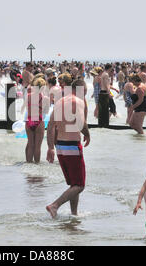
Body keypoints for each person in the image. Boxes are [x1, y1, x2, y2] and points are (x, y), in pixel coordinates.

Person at [45, 79, 91, 219]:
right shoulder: (78, 101)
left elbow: (51, 126)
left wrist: (50, 147)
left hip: (60, 146)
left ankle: (74, 214)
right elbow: (81, 122)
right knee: (80, 185)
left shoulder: (59, 102)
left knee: (73, 184)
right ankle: (54, 205)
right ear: (81, 90)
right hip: (72, 146)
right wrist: (88, 134)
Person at [24, 77, 49, 163]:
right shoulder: (45, 98)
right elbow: (46, 111)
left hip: (29, 120)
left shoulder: (28, 96)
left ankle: (28, 166)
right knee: (38, 147)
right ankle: (36, 167)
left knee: (30, 145)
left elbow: (27, 108)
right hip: (38, 120)